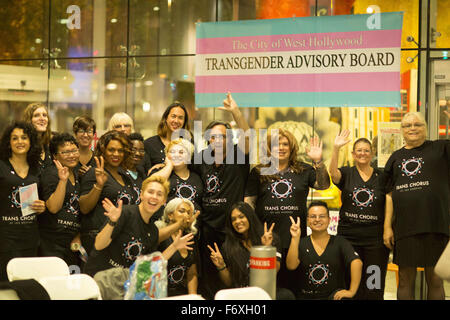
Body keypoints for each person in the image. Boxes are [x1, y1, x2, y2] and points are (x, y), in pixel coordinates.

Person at [244, 128, 330, 293]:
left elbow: (324, 185)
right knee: (266, 289)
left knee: (293, 290)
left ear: (291, 148)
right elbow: (249, 204)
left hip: (296, 240)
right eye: (276, 144)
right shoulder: (258, 171)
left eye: (285, 144)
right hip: (266, 241)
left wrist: (318, 162)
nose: (281, 148)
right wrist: (252, 235)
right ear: (269, 148)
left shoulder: (304, 170)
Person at [383, 111, 449, 300]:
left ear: (425, 128)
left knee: (435, 280)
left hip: (436, 225)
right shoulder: (395, 157)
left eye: (417, 124)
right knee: (404, 279)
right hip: (405, 227)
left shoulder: (441, 148)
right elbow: (389, 194)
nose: (412, 128)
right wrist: (387, 226)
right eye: (407, 125)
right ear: (402, 130)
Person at [191, 92, 250, 299]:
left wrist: (235, 112)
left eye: (223, 136)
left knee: (234, 276)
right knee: (208, 277)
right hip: (207, 228)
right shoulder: (200, 159)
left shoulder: (238, 156)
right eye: (214, 136)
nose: (218, 140)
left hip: (232, 229)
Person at [83, 176, 197, 277]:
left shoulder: (153, 231)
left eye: (159, 194)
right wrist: (112, 222)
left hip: (121, 285)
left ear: (164, 201)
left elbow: (149, 267)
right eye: (150, 192)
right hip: (99, 278)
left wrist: (174, 247)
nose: (154, 197)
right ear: (141, 195)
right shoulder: (125, 213)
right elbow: (98, 245)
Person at [328, 131, 389, 300]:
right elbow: (332, 174)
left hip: (374, 241)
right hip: (349, 238)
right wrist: (335, 148)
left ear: (372, 153)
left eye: (366, 150)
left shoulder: (382, 177)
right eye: (359, 150)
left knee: (373, 284)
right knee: (350, 283)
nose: (363, 153)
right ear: (353, 154)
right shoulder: (347, 173)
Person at [207, 202, 295, 300]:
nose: (237, 221)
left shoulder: (270, 238)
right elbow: (229, 282)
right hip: (241, 293)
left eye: (241, 217)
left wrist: (266, 249)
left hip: (264, 292)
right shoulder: (228, 246)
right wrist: (221, 266)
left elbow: (274, 271)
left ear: (250, 217)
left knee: (286, 295)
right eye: (233, 219)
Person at [286, 201, 363, 300]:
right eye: (313, 216)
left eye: (322, 216)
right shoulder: (300, 243)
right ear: (308, 220)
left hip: (332, 296)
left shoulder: (340, 242)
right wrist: (295, 238)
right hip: (305, 296)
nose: (317, 220)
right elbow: (291, 266)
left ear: (329, 219)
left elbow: (357, 263)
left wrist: (352, 291)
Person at [79, 130, 139, 256]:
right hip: (98, 236)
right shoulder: (94, 173)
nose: (116, 154)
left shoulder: (125, 176)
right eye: (111, 150)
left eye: (120, 150)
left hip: (119, 237)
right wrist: (99, 185)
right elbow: (84, 208)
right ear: (103, 151)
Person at [0, 121, 46, 281]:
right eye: (15, 138)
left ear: (30, 141)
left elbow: (42, 200)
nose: (20, 141)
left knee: (26, 285)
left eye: (24, 138)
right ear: (8, 142)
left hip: (30, 238)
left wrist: (42, 206)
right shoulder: (1, 166)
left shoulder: (36, 169)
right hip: (5, 239)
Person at [38, 133, 82, 267]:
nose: (72, 155)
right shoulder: (51, 173)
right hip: (52, 242)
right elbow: (53, 207)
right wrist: (62, 180)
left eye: (74, 150)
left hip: (71, 242)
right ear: (55, 156)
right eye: (66, 152)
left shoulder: (77, 173)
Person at [150, 138, 204, 221]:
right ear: (167, 155)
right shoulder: (160, 171)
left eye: (181, 152)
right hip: (166, 226)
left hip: (193, 228)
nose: (176, 155)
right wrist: (169, 166)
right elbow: (152, 184)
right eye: (172, 152)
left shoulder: (196, 177)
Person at [155, 198, 200, 296]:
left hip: (180, 292)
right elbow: (152, 266)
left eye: (189, 213)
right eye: (182, 211)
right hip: (158, 292)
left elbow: (192, 273)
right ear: (170, 215)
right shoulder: (160, 234)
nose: (186, 215)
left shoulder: (189, 237)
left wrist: (193, 296)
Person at [144, 102, 191, 173]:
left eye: (180, 118)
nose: (176, 121)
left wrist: (163, 165)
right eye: (173, 116)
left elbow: (194, 170)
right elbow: (145, 173)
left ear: (184, 122)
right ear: (166, 118)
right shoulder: (149, 144)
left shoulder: (189, 144)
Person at [22, 103, 53, 171]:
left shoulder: (49, 147)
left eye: (44, 115)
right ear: (29, 120)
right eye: (36, 115)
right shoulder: (23, 146)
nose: (42, 118)